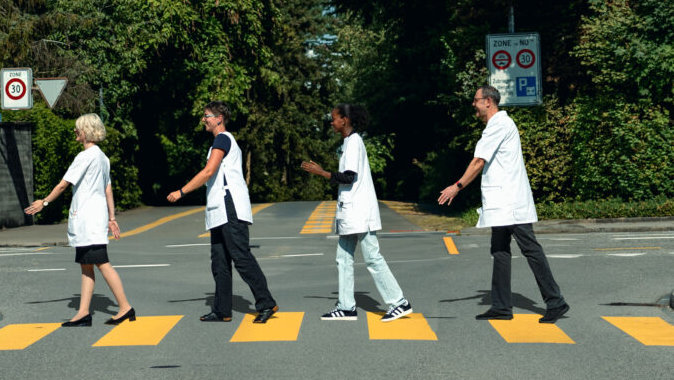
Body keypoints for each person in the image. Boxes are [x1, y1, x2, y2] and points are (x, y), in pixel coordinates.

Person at [438, 85, 569, 323]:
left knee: (530, 249)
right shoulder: (498, 125)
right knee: (499, 251)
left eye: (476, 100)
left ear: (488, 101)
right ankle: (501, 306)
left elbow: (478, 161)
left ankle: (555, 301)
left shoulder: (498, 125)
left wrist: (456, 187)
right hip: (503, 203)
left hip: (511, 203)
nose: (473, 105)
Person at [166, 101, 278, 324]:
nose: (203, 120)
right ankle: (222, 310)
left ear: (219, 118)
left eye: (206, 116)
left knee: (241, 258)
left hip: (230, 208)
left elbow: (209, 171)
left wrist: (181, 191)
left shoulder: (223, 138)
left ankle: (266, 303)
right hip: (219, 210)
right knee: (219, 262)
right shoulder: (220, 141)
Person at [301, 104, 413, 322]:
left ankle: (399, 302)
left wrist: (321, 172)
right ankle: (346, 306)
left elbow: (349, 177)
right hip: (351, 212)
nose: (331, 122)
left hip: (360, 212)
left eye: (334, 118)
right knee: (343, 258)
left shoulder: (354, 143)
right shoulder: (348, 142)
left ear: (345, 120)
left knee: (372, 257)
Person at [25, 113, 135, 327]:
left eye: (78, 129)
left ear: (85, 132)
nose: (75, 131)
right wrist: (112, 217)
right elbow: (108, 189)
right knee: (86, 265)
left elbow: (63, 184)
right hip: (95, 217)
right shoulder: (102, 157)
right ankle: (83, 312)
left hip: (88, 219)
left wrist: (44, 202)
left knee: (102, 264)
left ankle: (125, 307)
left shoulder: (85, 157)